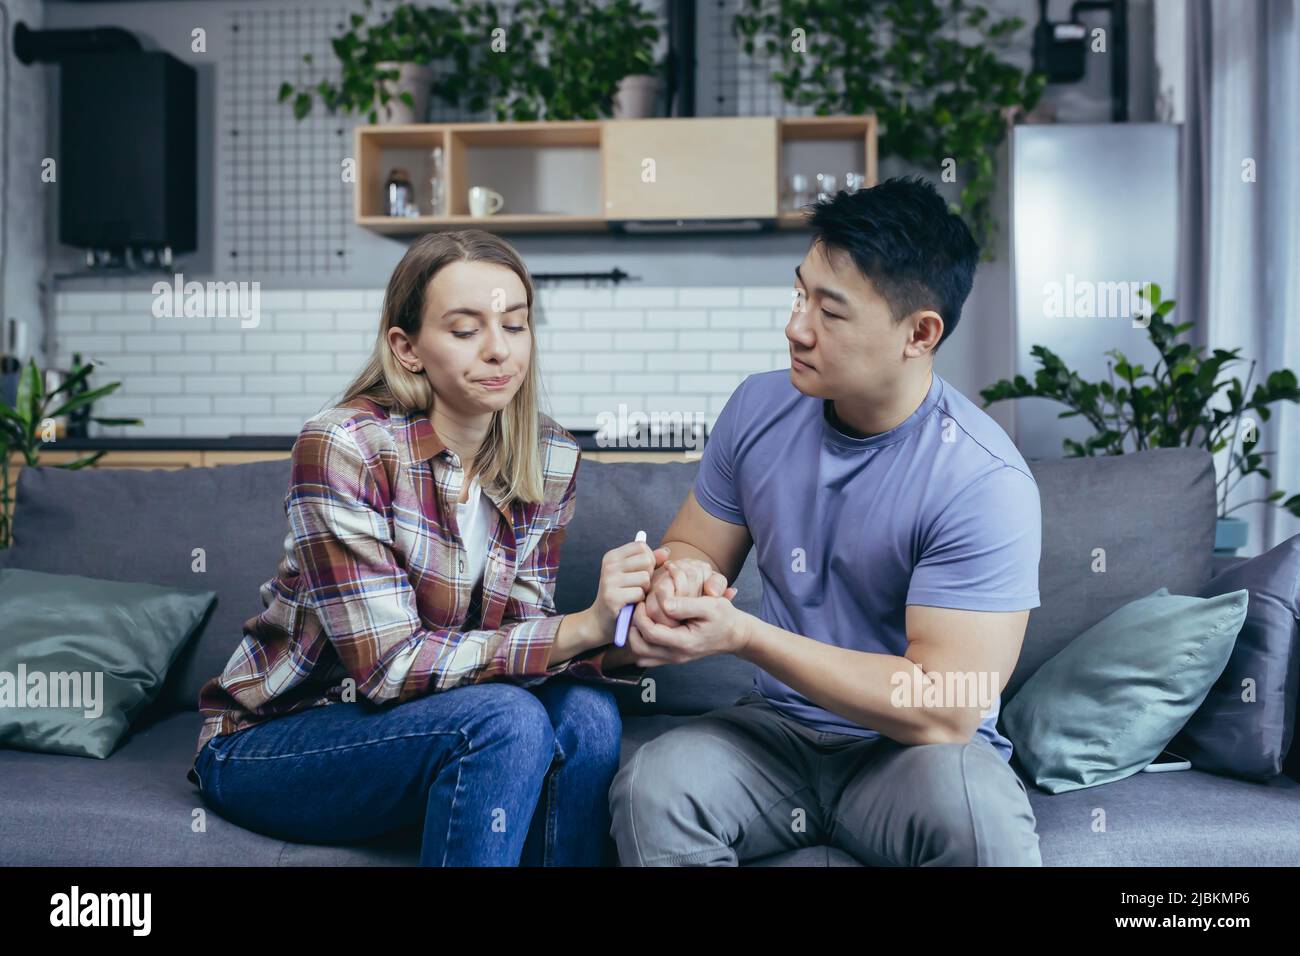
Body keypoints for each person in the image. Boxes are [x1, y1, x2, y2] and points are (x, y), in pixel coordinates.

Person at [188, 230, 665, 866]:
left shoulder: (547, 456)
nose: (500, 351)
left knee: (588, 714)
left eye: (515, 325)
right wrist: (580, 628)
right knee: (506, 720)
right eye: (466, 330)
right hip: (276, 738)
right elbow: (387, 672)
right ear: (406, 348)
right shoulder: (344, 447)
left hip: (436, 723)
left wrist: (626, 635)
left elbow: (521, 639)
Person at [606, 176, 1045, 866]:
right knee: (654, 788)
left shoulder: (982, 480)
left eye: (831, 313)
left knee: (979, 821)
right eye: (800, 293)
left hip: (912, 754)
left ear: (919, 333)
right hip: (778, 735)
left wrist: (746, 636)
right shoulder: (757, 409)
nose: (796, 326)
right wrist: (679, 574)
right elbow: (694, 543)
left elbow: (944, 704)